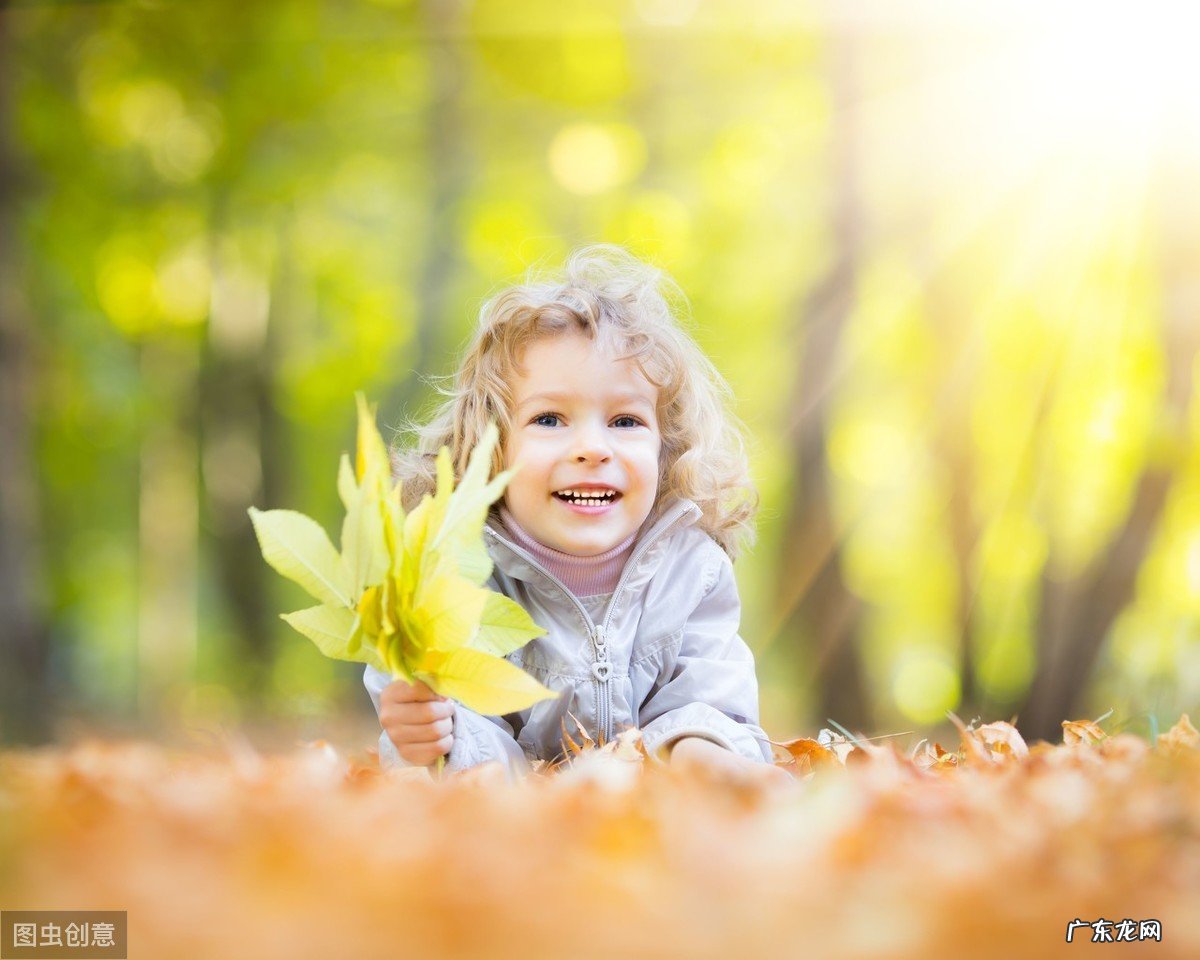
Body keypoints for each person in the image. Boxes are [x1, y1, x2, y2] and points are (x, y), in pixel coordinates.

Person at [364, 245, 785, 785]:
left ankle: (716, 780)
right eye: (549, 418)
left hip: (656, 796)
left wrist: (700, 748)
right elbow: (441, 712)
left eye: (626, 422)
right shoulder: (453, 576)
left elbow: (709, 693)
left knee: (705, 743)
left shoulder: (691, 569)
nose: (592, 447)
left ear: (665, 446)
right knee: (457, 764)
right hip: (503, 798)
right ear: (490, 446)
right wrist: (424, 728)